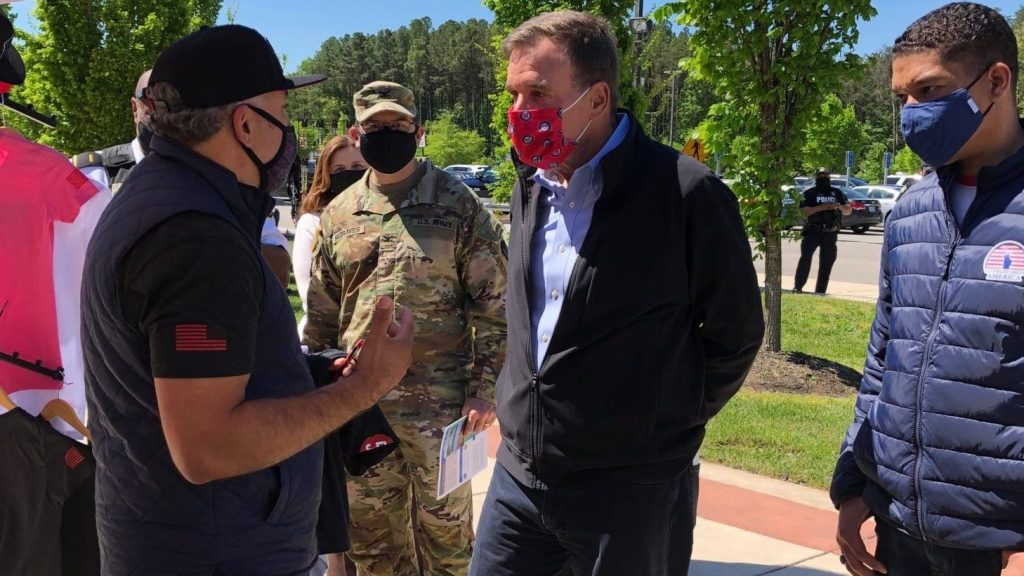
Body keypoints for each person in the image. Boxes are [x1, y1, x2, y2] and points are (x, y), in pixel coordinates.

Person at [80, 25, 414, 576]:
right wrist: (365, 386)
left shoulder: (166, 199)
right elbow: (208, 446)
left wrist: (305, 374)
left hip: (191, 540)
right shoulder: (195, 239)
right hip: (221, 553)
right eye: (282, 112)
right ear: (245, 124)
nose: (290, 131)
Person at [470, 11, 764, 576]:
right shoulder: (531, 184)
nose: (520, 113)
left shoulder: (686, 193)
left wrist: (657, 424)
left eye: (538, 93)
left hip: (629, 493)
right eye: (514, 95)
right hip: (519, 476)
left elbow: (736, 335)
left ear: (597, 98)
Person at [832, 4, 1024, 576]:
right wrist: (855, 480)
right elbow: (882, 360)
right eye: (902, 99)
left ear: (996, 80)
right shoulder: (911, 211)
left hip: (996, 535)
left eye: (930, 90)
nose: (912, 114)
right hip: (898, 521)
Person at [303, 80, 508, 576]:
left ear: (419, 131)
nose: (386, 135)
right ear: (356, 132)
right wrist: (320, 399)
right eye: (375, 127)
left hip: (443, 412)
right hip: (360, 408)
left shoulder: (459, 205)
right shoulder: (339, 214)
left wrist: (484, 392)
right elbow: (322, 317)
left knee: (448, 544)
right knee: (373, 546)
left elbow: (496, 308)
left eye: (397, 126)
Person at [72, 68, 294, 287]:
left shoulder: (225, 177)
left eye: (175, 103)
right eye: (152, 101)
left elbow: (280, 270)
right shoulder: (94, 175)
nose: (163, 112)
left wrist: (209, 242)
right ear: (134, 107)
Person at [294, 135, 367, 338]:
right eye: (339, 170)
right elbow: (308, 291)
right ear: (326, 176)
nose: (349, 174)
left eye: (357, 166)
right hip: (324, 339)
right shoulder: (312, 223)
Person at [793, 168, 852, 295]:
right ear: (816, 177)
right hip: (813, 231)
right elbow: (803, 212)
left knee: (827, 262)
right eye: (821, 175)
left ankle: (820, 291)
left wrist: (838, 206)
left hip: (830, 233)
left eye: (826, 175)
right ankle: (798, 287)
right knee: (805, 259)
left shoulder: (837, 193)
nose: (823, 177)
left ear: (830, 177)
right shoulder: (810, 193)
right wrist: (821, 207)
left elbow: (848, 210)